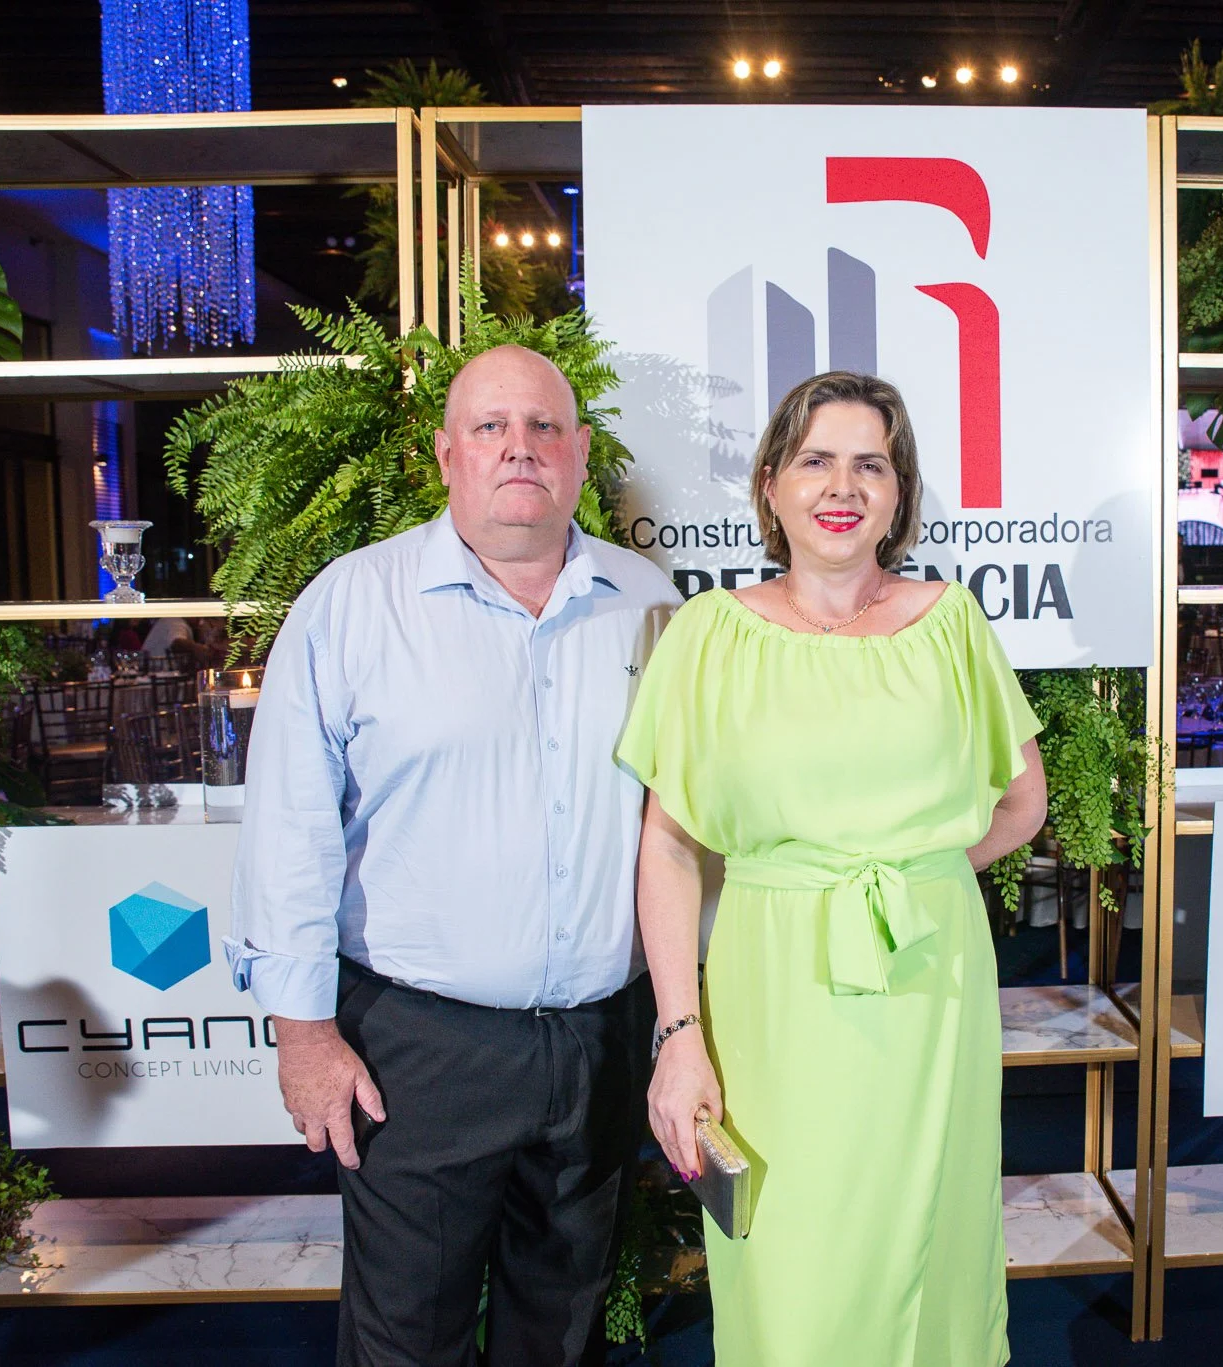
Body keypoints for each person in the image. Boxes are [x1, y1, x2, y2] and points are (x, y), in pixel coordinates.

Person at [224, 344, 680, 1367]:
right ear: (445, 455)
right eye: (490, 427)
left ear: (581, 451)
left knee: (560, 1331)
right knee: (406, 1337)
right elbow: (290, 827)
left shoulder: (650, 600)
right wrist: (303, 1035)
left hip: (600, 1041)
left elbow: (685, 819)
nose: (520, 447)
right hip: (418, 1052)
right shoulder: (353, 602)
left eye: (544, 427)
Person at [618, 371, 1047, 1366]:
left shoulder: (951, 623)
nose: (841, 486)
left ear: (899, 494)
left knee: (932, 1256)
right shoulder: (707, 635)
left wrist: (909, 876)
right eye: (815, 460)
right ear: (771, 484)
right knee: (793, 1269)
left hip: (928, 991)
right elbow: (670, 847)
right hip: (772, 1000)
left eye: (870, 464)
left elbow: (1021, 803)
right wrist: (678, 1035)